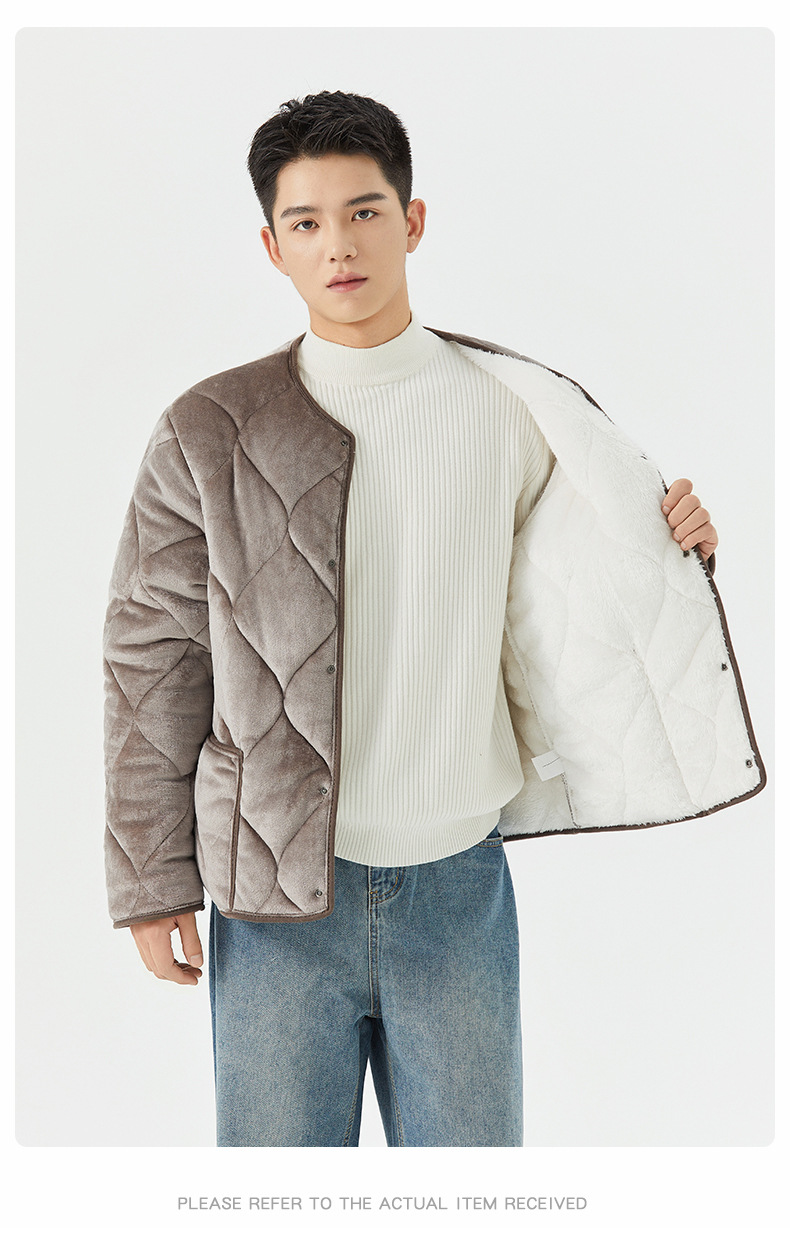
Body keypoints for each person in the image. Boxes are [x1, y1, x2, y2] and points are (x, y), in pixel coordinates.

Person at [102, 90, 765, 1148]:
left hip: (460, 888)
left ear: (412, 222)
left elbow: (597, 576)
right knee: (274, 1208)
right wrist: (149, 880)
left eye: (364, 212)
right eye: (306, 222)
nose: (338, 245)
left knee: (472, 1204)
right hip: (274, 901)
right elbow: (152, 659)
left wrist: (683, 543)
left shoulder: (516, 406)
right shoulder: (209, 428)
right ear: (272, 248)